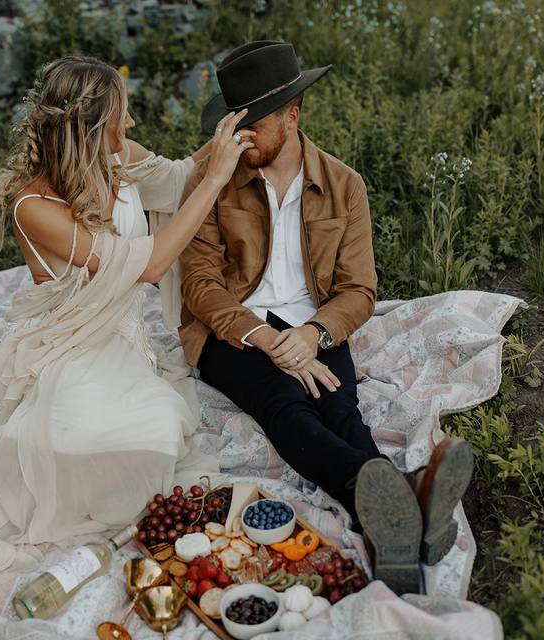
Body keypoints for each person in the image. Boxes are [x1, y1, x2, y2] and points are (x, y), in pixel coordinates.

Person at [0, 55, 256, 592]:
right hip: (70, 347)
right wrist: (218, 174)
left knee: (153, 438)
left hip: (122, 341)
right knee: (64, 450)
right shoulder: (32, 205)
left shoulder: (121, 160)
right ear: (90, 125)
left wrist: (229, 138)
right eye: (120, 115)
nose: (130, 126)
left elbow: (180, 180)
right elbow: (149, 264)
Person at [177, 41, 474, 595]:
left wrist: (312, 334)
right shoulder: (211, 177)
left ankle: (391, 530)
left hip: (314, 321)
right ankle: (402, 501)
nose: (241, 141)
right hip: (234, 329)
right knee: (282, 401)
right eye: (234, 126)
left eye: (254, 126)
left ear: (293, 115)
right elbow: (199, 286)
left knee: (341, 407)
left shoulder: (344, 184)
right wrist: (265, 337)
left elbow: (359, 289)